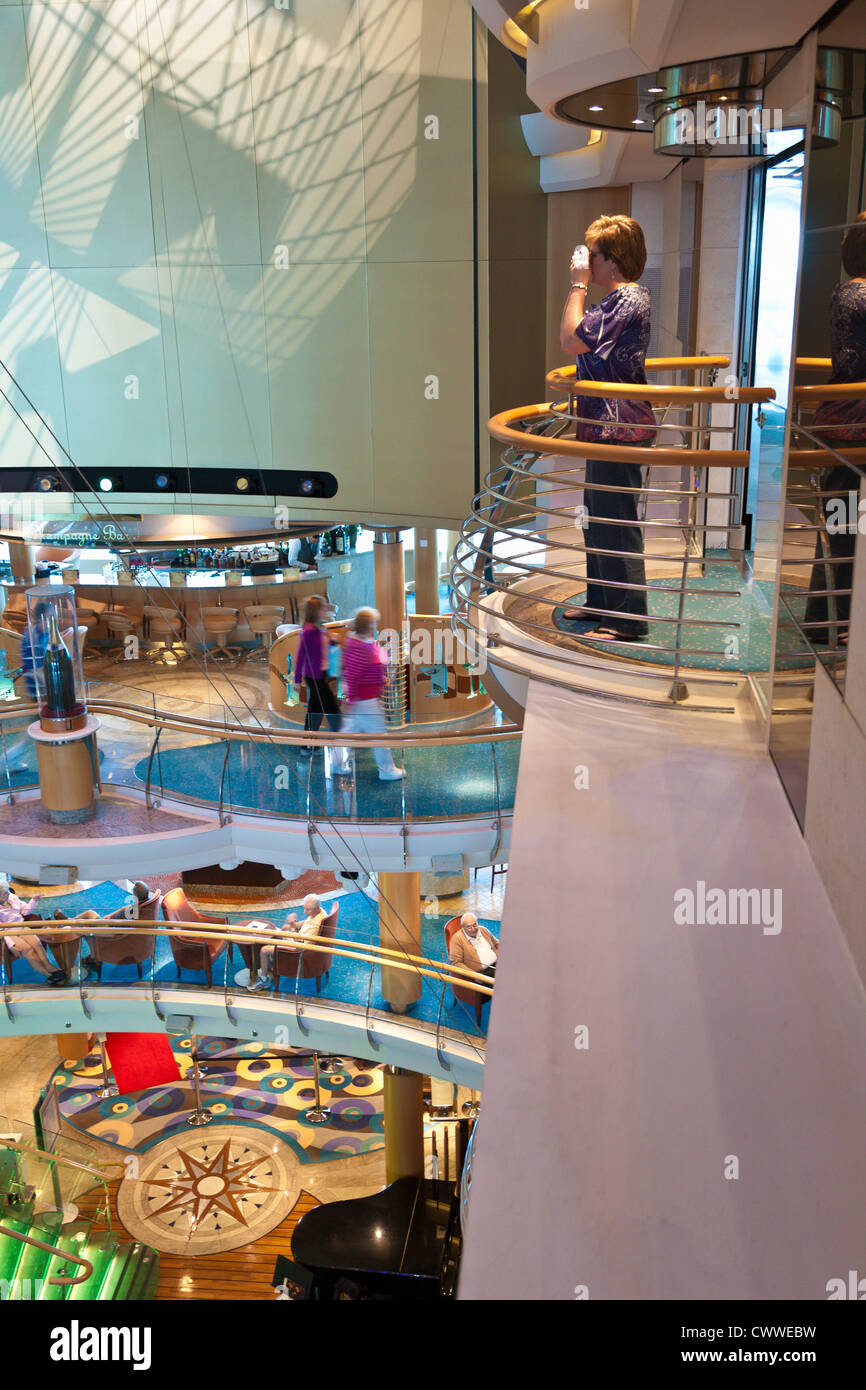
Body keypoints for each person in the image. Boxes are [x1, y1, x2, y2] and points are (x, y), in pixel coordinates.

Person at [558, 215, 656, 639]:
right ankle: (601, 602)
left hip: (620, 427)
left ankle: (627, 618)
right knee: (597, 518)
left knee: (615, 521)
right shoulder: (617, 300)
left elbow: (570, 340)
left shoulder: (628, 300)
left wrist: (577, 284)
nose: (587, 262)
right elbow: (579, 342)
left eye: (592, 255)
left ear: (612, 261)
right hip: (603, 425)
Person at [804, 212, 866, 647]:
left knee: (844, 525)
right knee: (844, 527)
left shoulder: (848, 294)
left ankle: (830, 617)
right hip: (854, 427)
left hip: (849, 423)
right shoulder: (856, 295)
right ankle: (832, 619)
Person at [331, 608, 404, 781]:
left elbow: (367, 667)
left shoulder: (361, 641)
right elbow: (354, 675)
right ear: (369, 625)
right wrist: (349, 701)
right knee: (379, 735)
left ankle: (336, 763)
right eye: (374, 623)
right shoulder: (360, 646)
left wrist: (381, 678)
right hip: (365, 699)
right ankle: (387, 770)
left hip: (362, 698)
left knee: (348, 731)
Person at [250, 893, 329, 990]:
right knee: (275, 932)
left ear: (316, 908)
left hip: (298, 950)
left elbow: (300, 946)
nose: (304, 912)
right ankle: (272, 964)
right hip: (298, 939)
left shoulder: (315, 925)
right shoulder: (320, 912)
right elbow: (306, 922)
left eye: (307, 910)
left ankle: (264, 980)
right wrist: (292, 926)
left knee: (264, 950)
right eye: (304, 908)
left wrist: (291, 926)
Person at [294, 595, 342, 754]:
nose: (324, 611)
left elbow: (322, 649)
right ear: (315, 611)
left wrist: (333, 642)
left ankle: (308, 745)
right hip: (313, 677)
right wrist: (296, 680)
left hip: (320, 674)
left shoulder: (318, 628)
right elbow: (301, 656)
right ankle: (340, 740)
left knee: (316, 709)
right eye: (322, 608)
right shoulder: (308, 631)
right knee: (331, 706)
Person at [0, 881, 66, 985]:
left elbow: (25, 911)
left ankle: (50, 967)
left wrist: (34, 900)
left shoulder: (12, 897)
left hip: (21, 926)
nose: (8, 894)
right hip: (8, 933)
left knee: (37, 944)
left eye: (7, 891)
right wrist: (10, 944)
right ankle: (49, 975)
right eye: (4, 893)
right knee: (28, 950)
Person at [448, 912, 499, 978]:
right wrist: (475, 975)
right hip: (483, 973)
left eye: (475, 925)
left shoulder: (483, 929)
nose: (473, 929)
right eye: (469, 927)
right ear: (463, 927)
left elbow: (496, 943)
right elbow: (456, 962)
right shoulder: (457, 939)